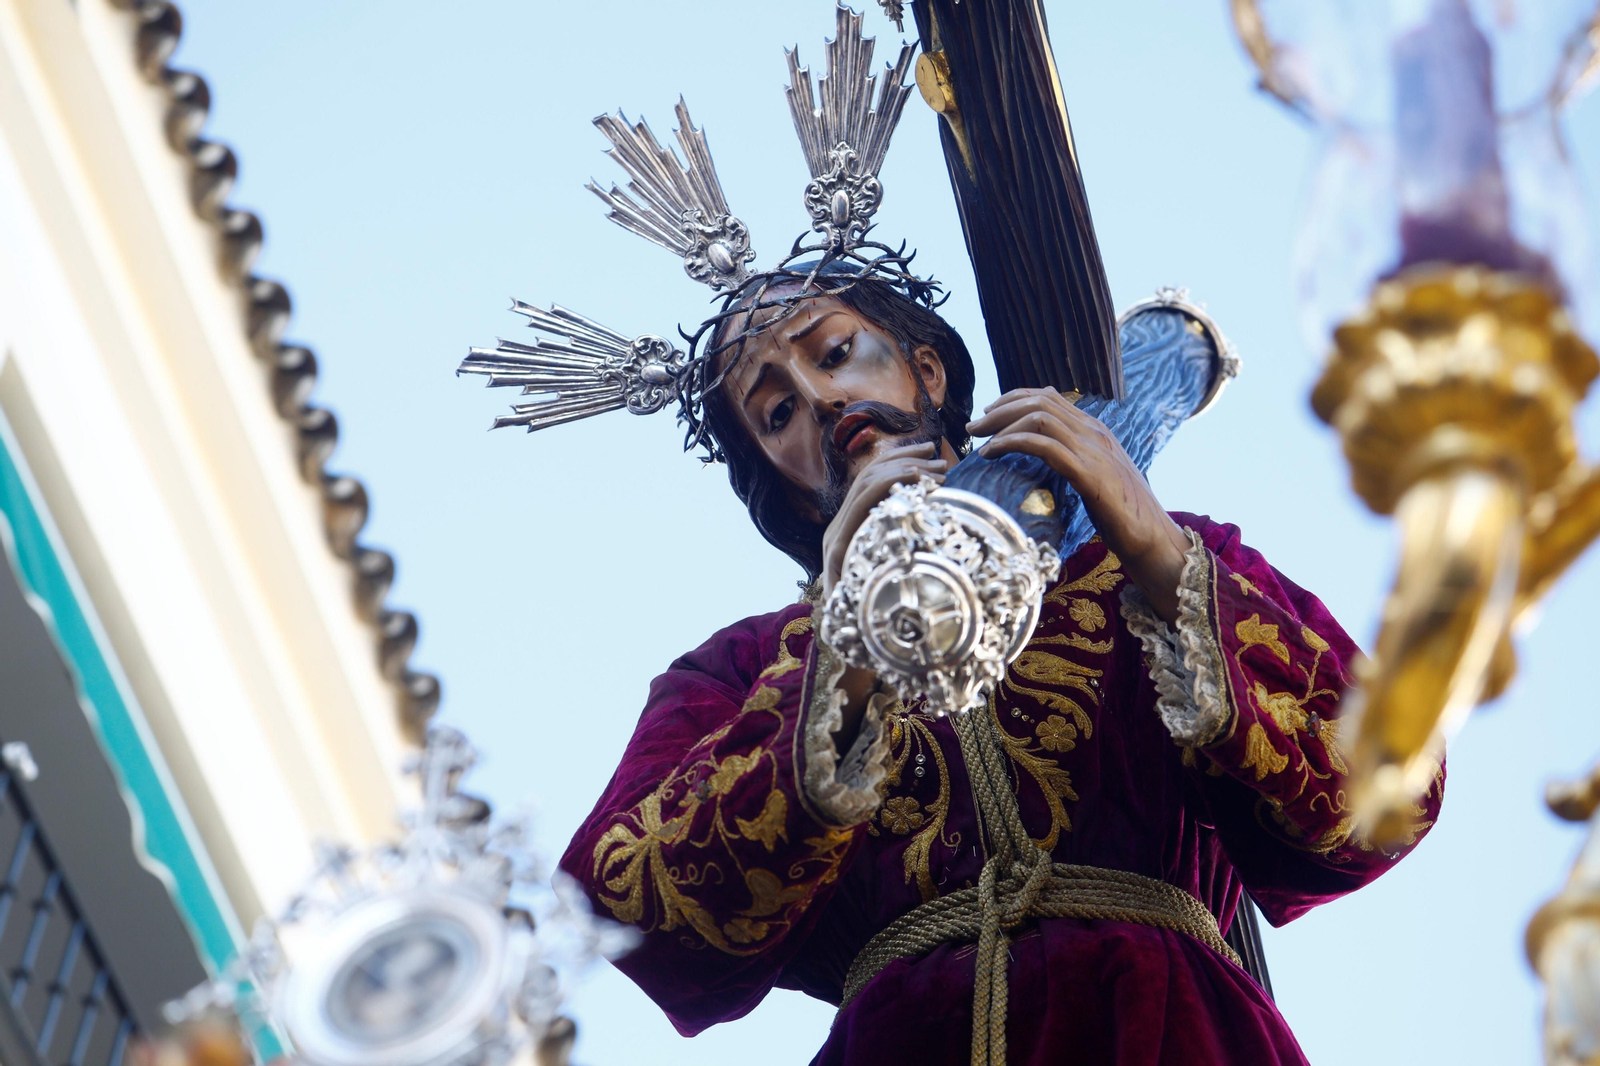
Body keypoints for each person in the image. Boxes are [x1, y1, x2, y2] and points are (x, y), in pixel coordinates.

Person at [458, 10, 1444, 1063]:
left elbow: (1381, 790)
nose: (820, 399)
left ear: (925, 370)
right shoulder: (741, 667)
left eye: (837, 352)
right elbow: (631, 915)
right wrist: (843, 651)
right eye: (776, 410)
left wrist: (1157, 548)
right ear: (775, 480)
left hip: (1165, 1026)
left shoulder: (1149, 567)